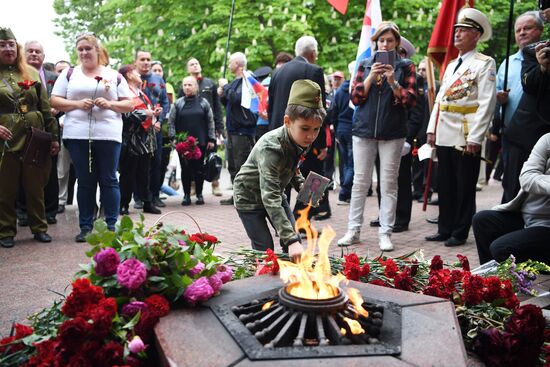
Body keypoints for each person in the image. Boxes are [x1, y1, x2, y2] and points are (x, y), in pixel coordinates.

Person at [337, 21, 417, 251]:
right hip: (363, 131)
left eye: (390, 40)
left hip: (392, 133)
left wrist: (393, 82)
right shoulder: (364, 64)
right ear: (376, 42)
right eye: (382, 40)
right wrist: (371, 77)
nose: (385, 44)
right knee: (359, 183)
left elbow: (410, 101)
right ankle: (353, 230)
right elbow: (355, 98)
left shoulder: (406, 66)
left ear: (396, 43)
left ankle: (385, 233)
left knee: (388, 184)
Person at [51, 33, 133, 242]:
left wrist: (111, 104)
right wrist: (78, 104)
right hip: (77, 135)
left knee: (109, 179)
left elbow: (130, 104)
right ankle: (85, 226)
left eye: (88, 48)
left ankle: (111, 225)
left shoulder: (114, 75)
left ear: (97, 50)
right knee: (85, 181)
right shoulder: (69, 74)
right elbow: (54, 100)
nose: (84, 53)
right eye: (81, 49)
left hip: (108, 135)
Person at [425, 8, 497, 247]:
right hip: (444, 130)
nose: (457, 34)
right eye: (456, 30)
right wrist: (431, 127)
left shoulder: (484, 63)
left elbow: (487, 103)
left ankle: (460, 230)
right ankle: (445, 227)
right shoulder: (453, 64)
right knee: (444, 183)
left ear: (476, 35)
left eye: (464, 30)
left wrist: (476, 137)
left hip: (466, 133)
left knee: (464, 184)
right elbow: (440, 99)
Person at [234, 80, 326, 262]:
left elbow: (292, 166)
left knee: (294, 240)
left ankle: (291, 283)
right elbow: (270, 196)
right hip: (250, 199)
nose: (311, 136)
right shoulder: (271, 147)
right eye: (305, 129)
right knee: (265, 250)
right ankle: (262, 282)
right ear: (287, 121)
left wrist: (301, 184)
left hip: (274, 192)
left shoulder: (298, 138)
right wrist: (290, 240)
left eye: (316, 129)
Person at [0, 28, 59, 248]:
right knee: (6, 188)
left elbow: (45, 107)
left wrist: (54, 138)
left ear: (17, 48)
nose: (8, 49)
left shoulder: (32, 73)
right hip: (5, 139)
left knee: (36, 186)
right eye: (2, 44)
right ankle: (6, 231)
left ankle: (40, 227)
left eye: (11, 44)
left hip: (34, 136)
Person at [473, 132, 550, 265]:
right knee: (482, 220)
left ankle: (514, 281)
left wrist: (539, 179)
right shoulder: (547, 139)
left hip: (546, 226)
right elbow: (526, 177)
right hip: (526, 216)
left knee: (501, 248)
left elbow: (533, 177)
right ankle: (490, 281)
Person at [501, 12, 547, 203]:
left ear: (540, 30)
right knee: (512, 187)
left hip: (544, 134)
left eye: (527, 28)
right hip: (517, 134)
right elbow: (529, 84)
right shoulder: (522, 56)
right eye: (518, 29)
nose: (521, 33)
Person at [16, 40, 60, 226]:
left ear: (44, 56)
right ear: (23, 54)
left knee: (49, 172)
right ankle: (23, 212)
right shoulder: (15, 75)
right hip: (22, 130)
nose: (34, 54)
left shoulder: (54, 77)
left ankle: (50, 211)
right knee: (22, 171)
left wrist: (57, 109)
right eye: (30, 51)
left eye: (38, 51)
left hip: (49, 129)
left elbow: (64, 98)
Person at [118, 64, 162, 215]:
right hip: (131, 139)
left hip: (145, 140)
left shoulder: (142, 94)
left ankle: (147, 203)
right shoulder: (125, 93)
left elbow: (148, 112)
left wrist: (155, 116)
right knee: (127, 173)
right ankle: (123, 204)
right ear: (129, 75)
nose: (139, 75)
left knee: (145, 173)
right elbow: (127, 114)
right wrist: (148, 114)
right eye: (135, 72)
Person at [218, 52, 257, 206]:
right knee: (233, 164)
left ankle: (246, 196)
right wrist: (222, 95)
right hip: (233, 130)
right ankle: (237, 194)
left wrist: (225, 87)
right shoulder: (234, 83)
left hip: (243, 130)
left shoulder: (248, 81)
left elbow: (240, 100)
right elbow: (229, 103)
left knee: (242, 164)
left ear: (239, 65)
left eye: (231, 62)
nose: (228, 65)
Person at [169, 76, 215, 206]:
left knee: (199, 169)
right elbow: (171, 122)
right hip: (182, 143)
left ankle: (199, 194)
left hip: (200, 141)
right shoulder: (178, 103)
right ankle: (186, 195)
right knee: (185, 169)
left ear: (196, 86)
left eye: (190, 85)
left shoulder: (204, 103)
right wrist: (173, 138)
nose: (187, 87)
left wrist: (211, 139)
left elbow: (210, 121)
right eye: (185, 85)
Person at [134, 50, 170, 209]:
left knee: (156, 162)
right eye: (142, 59)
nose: (146, 62)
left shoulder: (158, 79)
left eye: (148, 59)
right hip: (137, 129)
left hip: (155, 129)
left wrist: (159, 120)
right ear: (135, 61)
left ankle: (154, 196)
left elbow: (164, 102)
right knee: (138, 163)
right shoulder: (131, 79)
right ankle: (139, 197)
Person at [268, 36, 326, 131]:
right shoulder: (314, 71)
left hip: (278, 131)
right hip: (303, 134)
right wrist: (320, 143)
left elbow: (270, 108)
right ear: (313, 53)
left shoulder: (276, 72)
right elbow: (319, 110)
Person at [185, 57, 224, 197]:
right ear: (188, 69)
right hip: (192, 128)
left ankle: (215, 184)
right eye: (191, 64)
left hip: (209, 127)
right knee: (192, 158)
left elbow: (217, 108)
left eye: (197, 63)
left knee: (212, 156)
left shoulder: (209, 83)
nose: (195, 66)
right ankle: (193, 185)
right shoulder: (185, 85)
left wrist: (220, 128)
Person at [333, 62, 355, 205]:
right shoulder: (356, 89)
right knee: (351, 163)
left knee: (346, 163)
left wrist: (336, 131)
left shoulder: (340, 90)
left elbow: (334, 111)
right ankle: (345, 192)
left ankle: (346, 191)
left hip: (341, 128)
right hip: (352, 129)